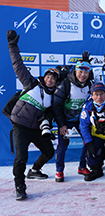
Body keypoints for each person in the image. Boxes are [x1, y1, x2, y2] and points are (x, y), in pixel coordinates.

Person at [6, 30, 59, 201]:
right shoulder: (31, 83)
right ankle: (20, 187)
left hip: (36, 128)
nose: (50, 80)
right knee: (21, 157)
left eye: (53, 78)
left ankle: (34, 170)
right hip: (20, 126)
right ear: (44, 78)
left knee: (49, 152)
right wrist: (12, 46)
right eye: (48, 77)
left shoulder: (54, 98)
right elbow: (18, 65)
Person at [52, 59, 92, 182]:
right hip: (66, 120)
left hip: (81, 120)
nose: (82, 75)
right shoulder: (66, 84)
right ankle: (59, 170)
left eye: (85, 73)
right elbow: (56, 105)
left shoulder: (90, 84)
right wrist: (62, 124)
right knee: (62, 146)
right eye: (80, 72)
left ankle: (82, 166)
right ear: (75, 71)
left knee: (88, 141)